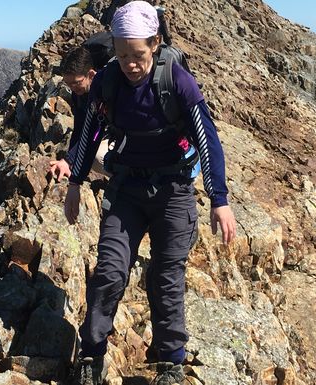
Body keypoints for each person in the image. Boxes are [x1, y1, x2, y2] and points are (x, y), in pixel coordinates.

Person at [62, 2, 237, 384]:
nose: (130, 63)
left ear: (155, 43)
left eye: (138, 54)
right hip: (126, 190)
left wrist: (219, 200)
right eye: (122, 53)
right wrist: (75, 183)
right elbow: (90, 132)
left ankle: (171, 363)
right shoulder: (108, 81)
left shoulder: (176, 80)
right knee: (109, 271)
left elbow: (207, 139)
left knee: (166, 277)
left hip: (173, 191)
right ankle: (91, 356)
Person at [49, 46, 109, 180]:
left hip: (131, 138)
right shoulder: (80, 94)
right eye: (68, 83)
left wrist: (70, 162)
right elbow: (79, 128)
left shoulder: (106, 91)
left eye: (76, 82)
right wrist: (68, 161)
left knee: (98, 157)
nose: (72, 88)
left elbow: (94, 132)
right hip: (114, 136)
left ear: (91, 74)